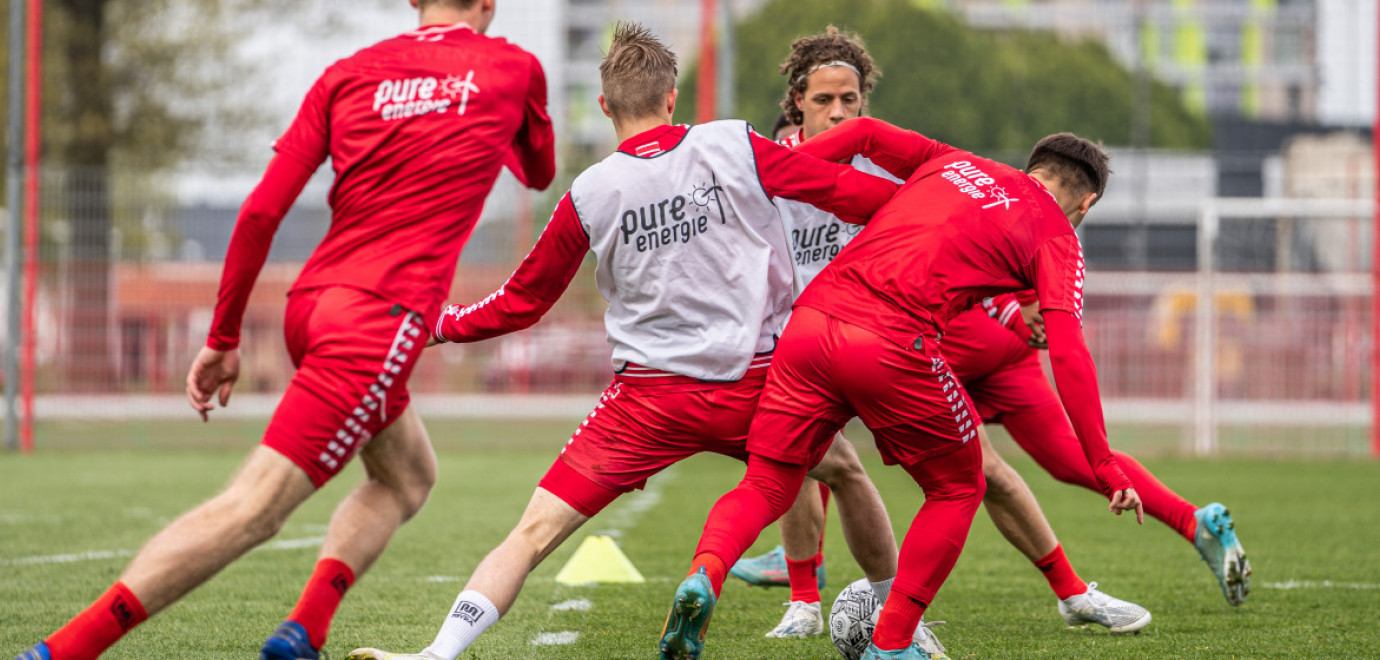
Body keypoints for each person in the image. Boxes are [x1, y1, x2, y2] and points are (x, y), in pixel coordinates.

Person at [11, 2, 555, 660]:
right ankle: (59, 652)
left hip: (313, 304)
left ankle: (304, 632)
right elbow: (539, 172)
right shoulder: (513, 67)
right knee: (254, 508)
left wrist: (224, 334)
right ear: (490, 4)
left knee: (407, 477)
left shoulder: (349, 72)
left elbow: (262, 209)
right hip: (377, 321)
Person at [344, 22, 900, 660]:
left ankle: (437, 654)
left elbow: (518, 305)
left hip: (646, 401)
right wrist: (937, 211)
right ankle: (892, 617)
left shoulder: (590, 192)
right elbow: (847, 193)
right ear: (672, 98)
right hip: (755, 382)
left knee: (532, 532)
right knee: (844, 472)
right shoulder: (731, 145)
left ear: (605, 106)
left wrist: (436, 326)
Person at [658, 118, 1145, 660]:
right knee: (960, 487)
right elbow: (1070, 353)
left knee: (770, 479)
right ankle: (892, 644)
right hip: (891, 342)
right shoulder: (1058, 235)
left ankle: (705, 572)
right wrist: (1102, 461)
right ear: (1086, 203)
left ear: (1033, 168)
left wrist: (774, 165)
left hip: (811, 323)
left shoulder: (959, 161)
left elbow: (864, 132)